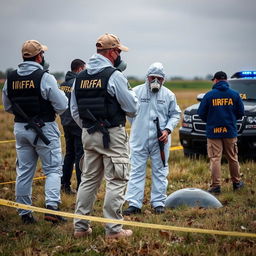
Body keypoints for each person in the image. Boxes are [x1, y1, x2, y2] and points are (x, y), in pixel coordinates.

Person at [71, 33, 138, 239]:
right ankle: (114, 230)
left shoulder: (80, 78)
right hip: (112, 135)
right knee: (117, 179)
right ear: (111, 52)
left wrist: (89, 127)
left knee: (88, 180)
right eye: (118, 51)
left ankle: (80, 228)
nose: (119, 55)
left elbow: (74, 110)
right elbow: (132, 107)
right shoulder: (114, 75)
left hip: (88, 134)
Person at [2, 40, 68, 224]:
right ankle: (51, 209)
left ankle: (25, 213)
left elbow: (7, 106)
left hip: (21, 129)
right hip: (44, 129)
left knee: (24, 171)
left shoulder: (11, 78)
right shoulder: (44, 77)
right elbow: (62, 105)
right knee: (54, 169)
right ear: (39, 56)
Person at [123, 62, 181, 215]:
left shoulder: (168, 95)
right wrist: (138, 127)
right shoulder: (136, 92)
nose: (155, 81)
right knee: (136, 170)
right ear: (147, 77)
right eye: (152, 78)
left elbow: (175, 114)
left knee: (160, 170)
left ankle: (158, 203)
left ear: (164, 79)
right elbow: (129, 113)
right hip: (138, 140)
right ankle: (134, 204)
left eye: (159, 79)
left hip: (160, 141)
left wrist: (167, 130)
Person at [197, 71, 245, 194]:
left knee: (215, 159)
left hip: (213, 132)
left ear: (216, 80)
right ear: (226, 80)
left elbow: (201, 113)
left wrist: (211, 121)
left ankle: (216, 186)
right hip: (230, 131)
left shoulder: (209, 95)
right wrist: (231, 120)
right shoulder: (234, 95)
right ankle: (237, 183)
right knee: (233, 158)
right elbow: (240, 113)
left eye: (213, 80)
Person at [60, 59, 86, 194]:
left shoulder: (63, 85)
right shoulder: (78, 83)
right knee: (80, 156)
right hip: (77, 123)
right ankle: (81, 187)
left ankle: (64, 185)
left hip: (65, 123)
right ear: (80, 69)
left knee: (69, 155)